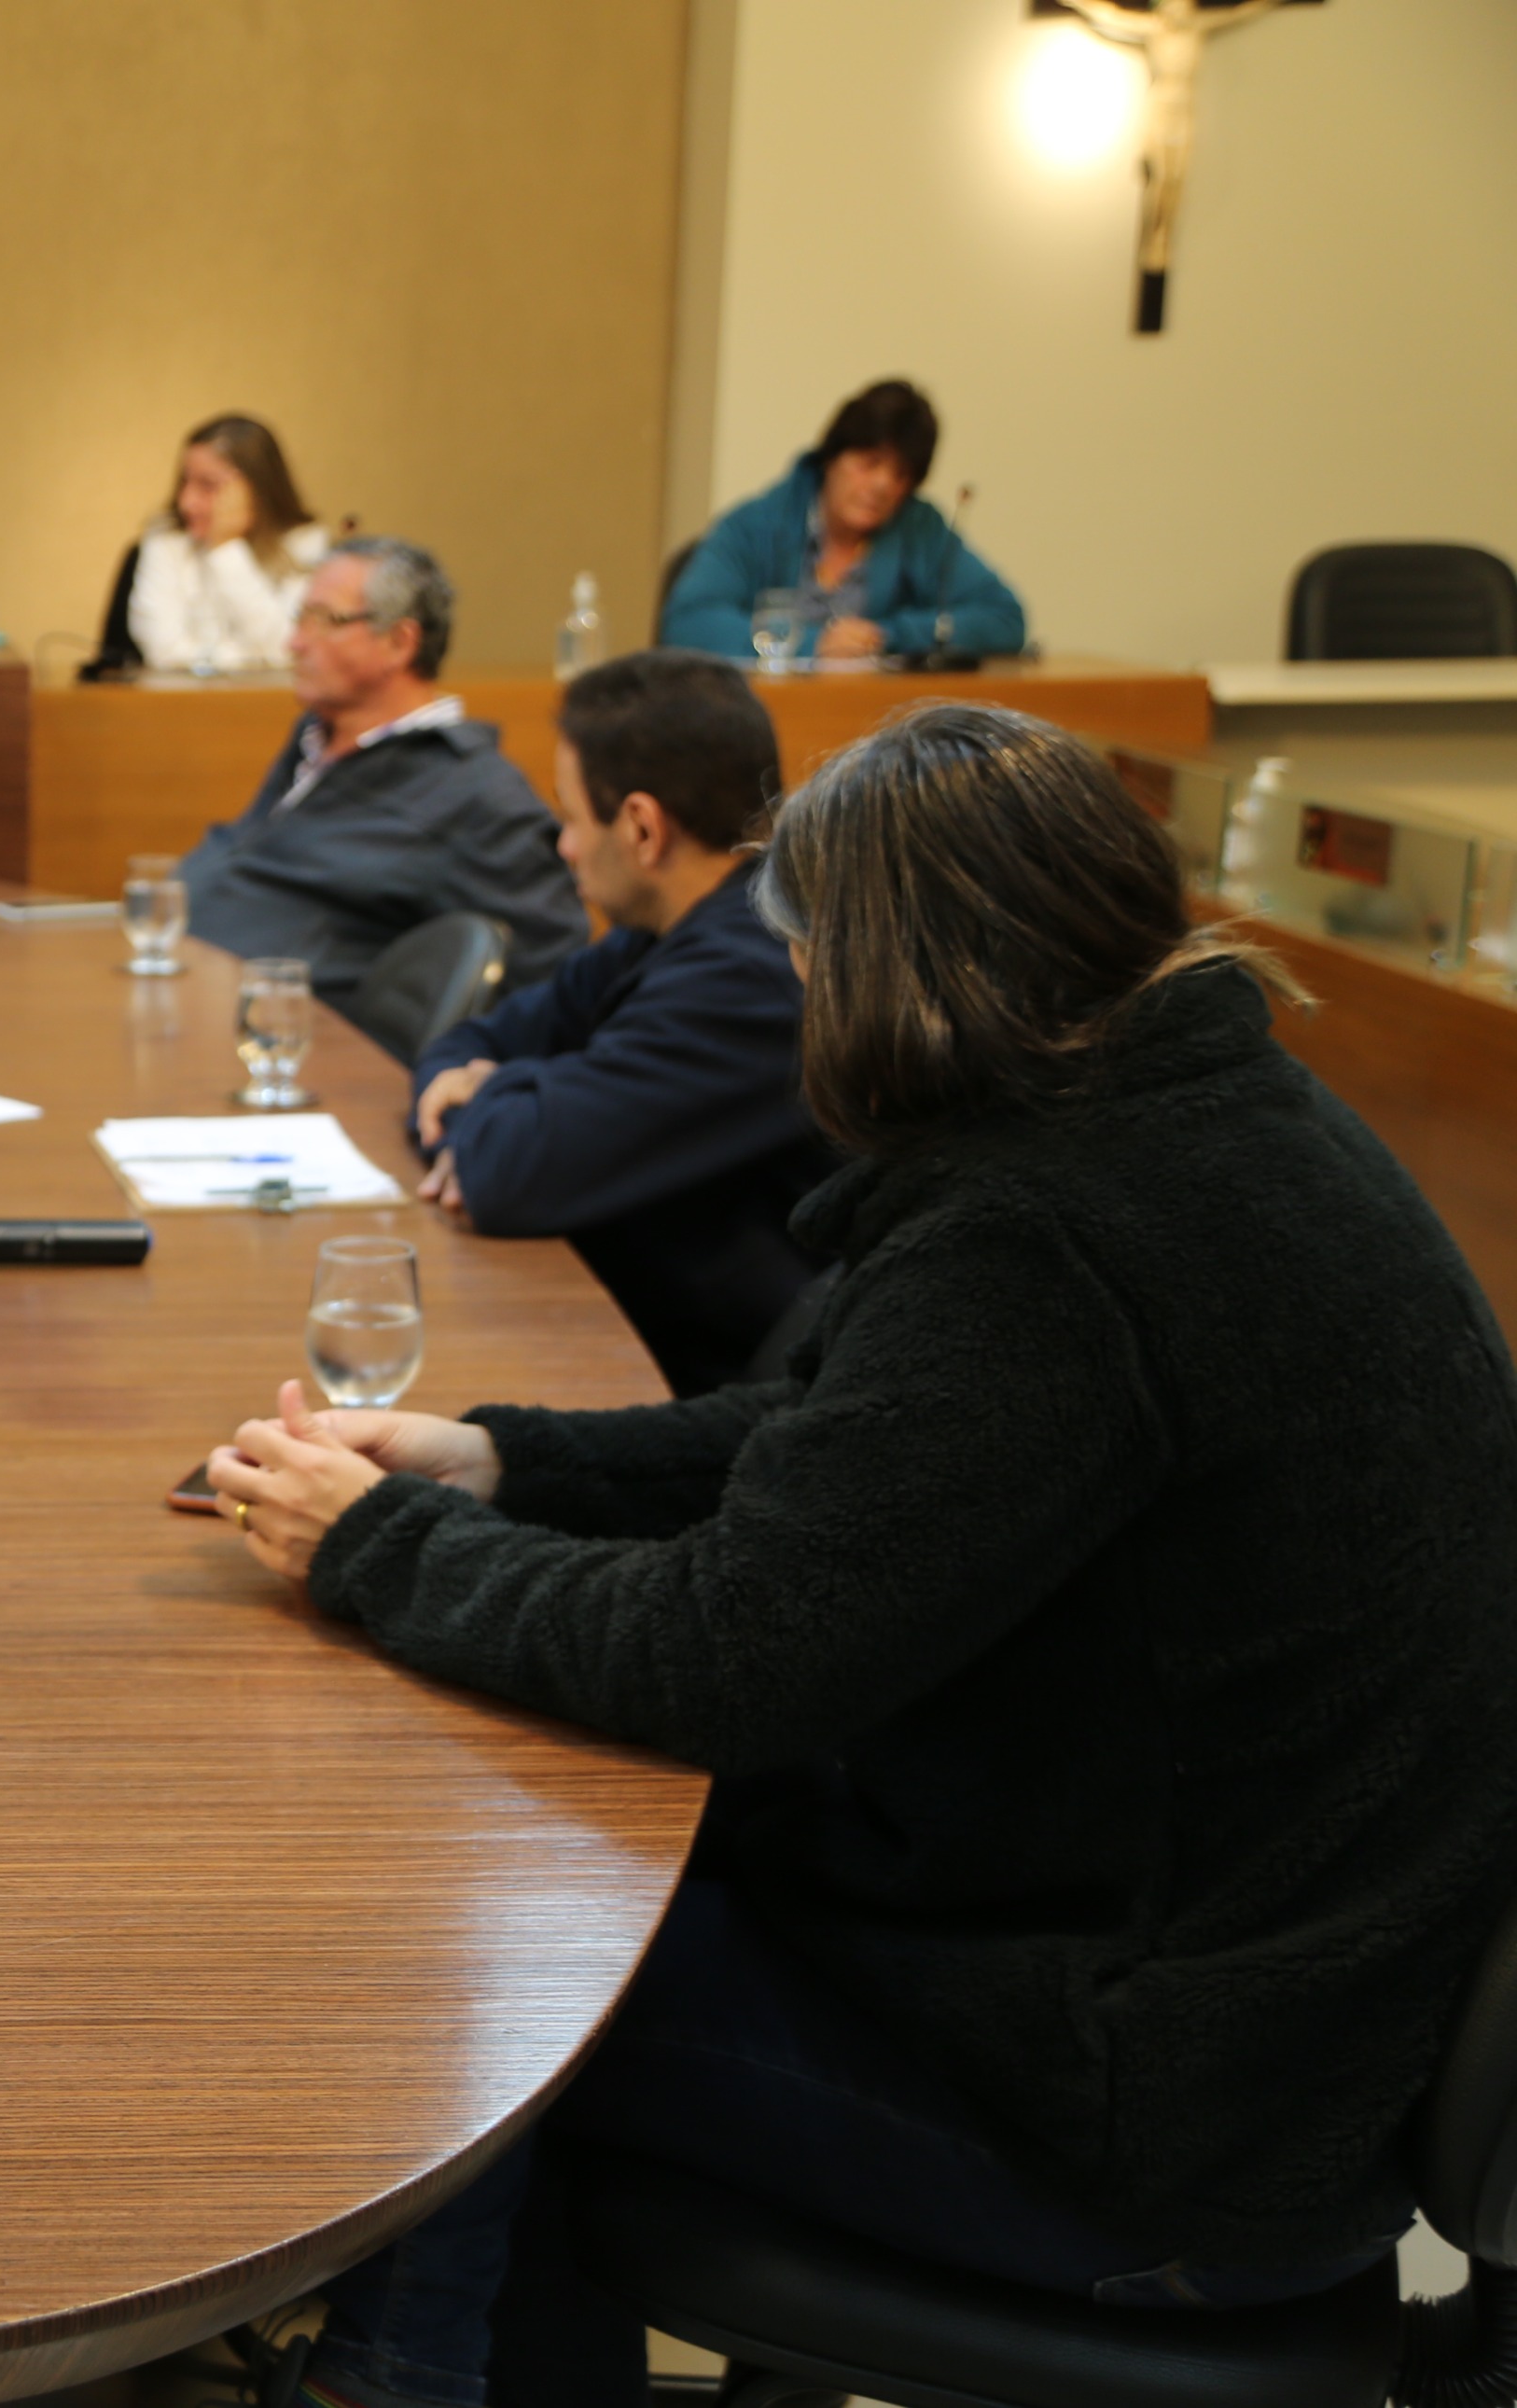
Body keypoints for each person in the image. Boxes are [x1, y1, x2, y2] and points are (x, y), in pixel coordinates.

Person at [207, 703, 1517, 2408]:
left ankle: (391, 2384)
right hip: (1247, 2030)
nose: (800, 992)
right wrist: (504, 1458)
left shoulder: (1048, 1238)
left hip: (1162, 2131)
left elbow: (726, 1654)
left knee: (482, 1966)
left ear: (893, 972)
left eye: (812, 954)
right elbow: (852, 1443)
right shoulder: (1194, 1117)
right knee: (557, 1878)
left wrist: (377, 1544)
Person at [410, 651, 829, 1396]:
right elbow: (467, 1045)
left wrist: (499, 1091)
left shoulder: (749, 977)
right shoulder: (663, 931)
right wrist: (505, 1091)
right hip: (617, 1328)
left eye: (571, 817)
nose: (564, 845)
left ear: (641, 827)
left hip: (700, 1395)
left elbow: (505, 1172)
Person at [174, 537, 585, 1009]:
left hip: (295, 1037)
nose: (296, 642)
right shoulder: (315, 738)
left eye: (325, 621)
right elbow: (251, 861)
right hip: (185, 990)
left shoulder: (477, 791)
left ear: (399, 643)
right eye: (300, 618)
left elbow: (552, 961)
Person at [662, 378, 1024, 664]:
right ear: (831, 457)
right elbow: (687, 623)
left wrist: (888, 636)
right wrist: (813, 645)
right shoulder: (756, 524)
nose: (883, 485)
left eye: (901, 475)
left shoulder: (920, 529)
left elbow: (1004, 618)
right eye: (869, 463)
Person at [120, 414, 327, 674]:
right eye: (185, 481)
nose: (186, 502)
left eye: (207, 485)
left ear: (256, 489)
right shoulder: (167, 539)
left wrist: (226, 548)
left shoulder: (305, 541)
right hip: (179, 696)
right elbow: (163, 651)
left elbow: (287, 648)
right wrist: (245, 658)